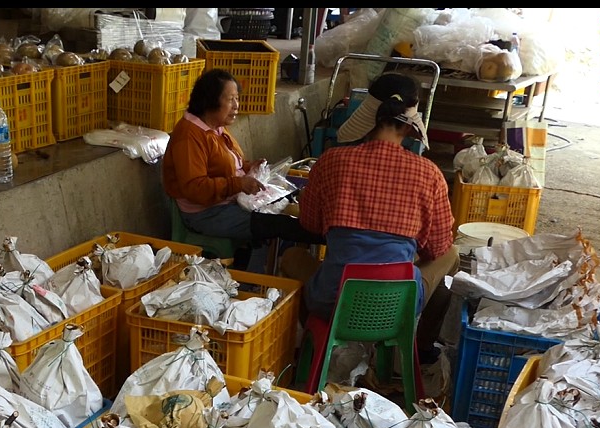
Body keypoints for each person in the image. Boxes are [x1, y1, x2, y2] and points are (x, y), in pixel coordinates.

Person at [283, 72, 460, 360]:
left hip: (334, 299)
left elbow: (310, 224)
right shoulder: (430, 175)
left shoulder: (331, 161)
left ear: (366, 117)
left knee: (291, 258)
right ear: (409, 128)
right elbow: (437, 247)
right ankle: (422, 350)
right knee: (451, 254)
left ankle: (311, 348)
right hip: (394, 308)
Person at [162, 68, 317, 271]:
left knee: (287, 204)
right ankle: (255, 279)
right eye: (231, 99)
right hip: (206, 213)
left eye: (237, 98)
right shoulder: (189, 136)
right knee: (277, 223)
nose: (237, 106)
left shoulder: (215, 127)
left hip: (229, 202)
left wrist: (248, 167)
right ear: (210, 100)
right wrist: (238, 184)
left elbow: (228, 164)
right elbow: (194, 187)